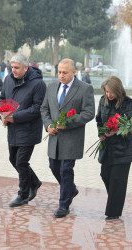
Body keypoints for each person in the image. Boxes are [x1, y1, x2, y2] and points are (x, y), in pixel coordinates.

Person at [41, 58, 95, 218]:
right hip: (54, 137)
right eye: (59, 72)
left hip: (72, 138)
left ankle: (64, 205)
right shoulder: (51, 87)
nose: (61, 75)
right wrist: (48, 125)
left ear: (74, 72)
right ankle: (71, 189)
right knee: (53, 167)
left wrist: (69, 123)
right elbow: (44, 108)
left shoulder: (85, 89)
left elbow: (89, 112)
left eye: (65, 72)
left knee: (66, 170)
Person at [0, 54, 46, 207]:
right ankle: (35, 182)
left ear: (26, 68)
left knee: (21, 161)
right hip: (12, 128)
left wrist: (16, 117)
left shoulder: (38, 84)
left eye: (17, 68)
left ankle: (23, 195)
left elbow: (38, 108)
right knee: (13, 160)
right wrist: (2, 113)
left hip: (29, 129)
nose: (13, 70)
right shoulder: (8, 79)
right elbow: (3, 98)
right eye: (12, 67)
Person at [96, 76, 132, 220]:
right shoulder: (103, 100)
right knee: (105, 175)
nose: (109, 95)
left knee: (117, 180)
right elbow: (99, 120)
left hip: (123, 148)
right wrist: (101, 133)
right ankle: (116, 200)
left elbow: (130, 124)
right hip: (107, 147)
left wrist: (115, 131)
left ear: (118, 90)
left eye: (111, 92)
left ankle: (113, 212)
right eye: (106, 91)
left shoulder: (129, 103)